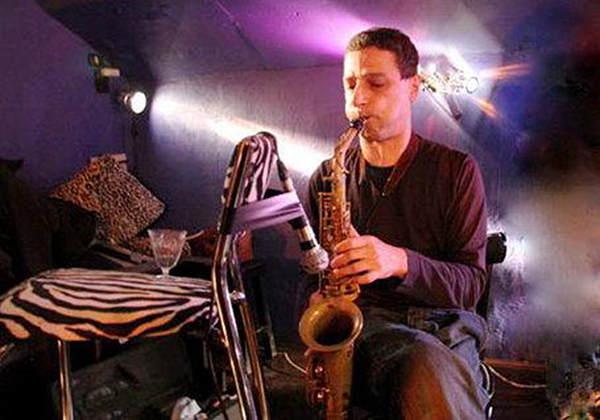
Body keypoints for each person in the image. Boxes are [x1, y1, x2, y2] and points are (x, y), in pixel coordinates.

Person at [306, 27, 489, 419]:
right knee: (422, 364)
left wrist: (400, 261)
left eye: (375, 83)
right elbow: (314, 277)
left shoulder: (457, 171)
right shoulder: (326, 178)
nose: (358, 99)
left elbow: (471, 285)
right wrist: (317, 299)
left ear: (413, 87)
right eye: (350, 84)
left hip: (447, 326)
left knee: (428, 363)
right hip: (370, 327)